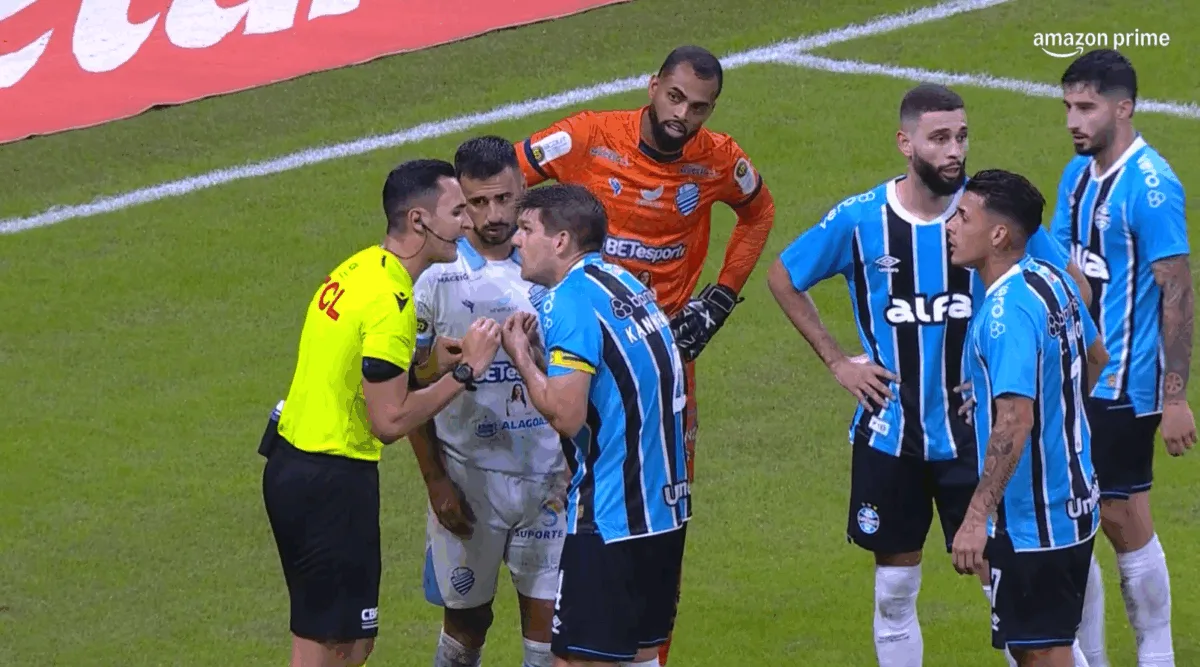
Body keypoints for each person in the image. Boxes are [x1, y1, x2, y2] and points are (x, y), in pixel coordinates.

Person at [766, 83, 1087, 667]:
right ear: (905, 142)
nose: (954, 150)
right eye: (939, 138)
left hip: (977, 441)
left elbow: (1071, 292)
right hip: (893, 436)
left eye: (961, 136)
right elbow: (784, 277)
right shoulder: (861, 220)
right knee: (894, 592)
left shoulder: (989, 216)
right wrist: (837, 361)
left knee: (1013, 598)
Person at [514, 47, 774, 662]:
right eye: (675, 97)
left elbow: (758, 214)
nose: (683, 115)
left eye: (700, 108)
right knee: (555, 499)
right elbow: (506, 183)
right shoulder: (588, 136)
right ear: (652, 85)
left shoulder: (719, 159)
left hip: (659, 360)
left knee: (656, 506)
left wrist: (721, 298)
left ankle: (634, 647)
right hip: (576, 346)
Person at [260, 158, 502, 667]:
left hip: (297, 462)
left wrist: (432, 363)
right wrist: (466, 373)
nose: (468, 223)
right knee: (332, 647)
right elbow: (389, 421)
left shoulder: (361, 268)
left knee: (348, 642)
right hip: (330, 478)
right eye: (457, 211)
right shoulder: (392, 303)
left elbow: (357, 369)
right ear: (419, 221)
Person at [501, 183, 690, 667]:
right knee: (642, 658)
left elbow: (567, 415)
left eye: (526, 229)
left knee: (576, 661)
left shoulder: (567, 299)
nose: (516, 240)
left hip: (610, 516)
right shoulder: (627, 285)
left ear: (561, 240)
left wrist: (522, 358)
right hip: (664, 512)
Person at [1048, 49, 1195, 667]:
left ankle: (1157, 653)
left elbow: (1177, 293)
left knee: (1120, 516)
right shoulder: (1076, 176)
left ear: (1124, 108)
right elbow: (1063, 266)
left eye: (1086, 108)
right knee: (1076, 521)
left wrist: (1175, 397)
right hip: (1075, 382)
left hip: (1125, 385)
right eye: (1068, 107)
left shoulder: (1152, 187)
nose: (1073, 121)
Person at [408, 137, 568, 667]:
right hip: (467, 484)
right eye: (477, 202)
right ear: (461, 198)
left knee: (548, 634)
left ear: (523, 186)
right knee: (466, 627)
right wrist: (435, 481)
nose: (494, 215)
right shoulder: (435, 274)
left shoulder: (554, 262)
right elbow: (408, 386)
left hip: (549, 483)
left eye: (504, 199)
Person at [947, 169, 1108, 667]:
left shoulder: (1005, 313)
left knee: (1040, 652)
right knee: (1044, 645)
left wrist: (976, 517)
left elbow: (1014, 421)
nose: (950, 226)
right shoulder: (1054, 280)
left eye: (963, 217)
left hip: (1035, 521)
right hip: (1076, 499)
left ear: (999, 234)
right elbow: (1096, 357)